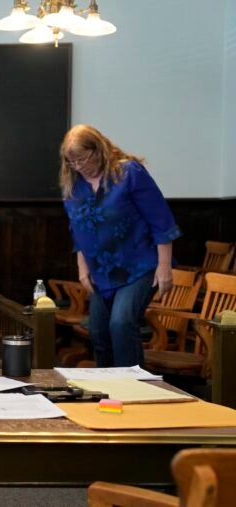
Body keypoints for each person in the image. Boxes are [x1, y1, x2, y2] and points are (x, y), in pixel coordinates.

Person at [59, 124, 181, 367]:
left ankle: (134, 388)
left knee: (122, 323)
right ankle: (109, 387)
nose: (78, 166)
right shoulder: (74, 184)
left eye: (82, 159)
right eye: (72, 161)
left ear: (98, 149)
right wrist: (82, 268)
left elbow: (161, 220)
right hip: (101, 272)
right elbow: (78, 229)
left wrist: (164, 266)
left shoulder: (128, 173)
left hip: (139, 265)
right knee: (98, 330)